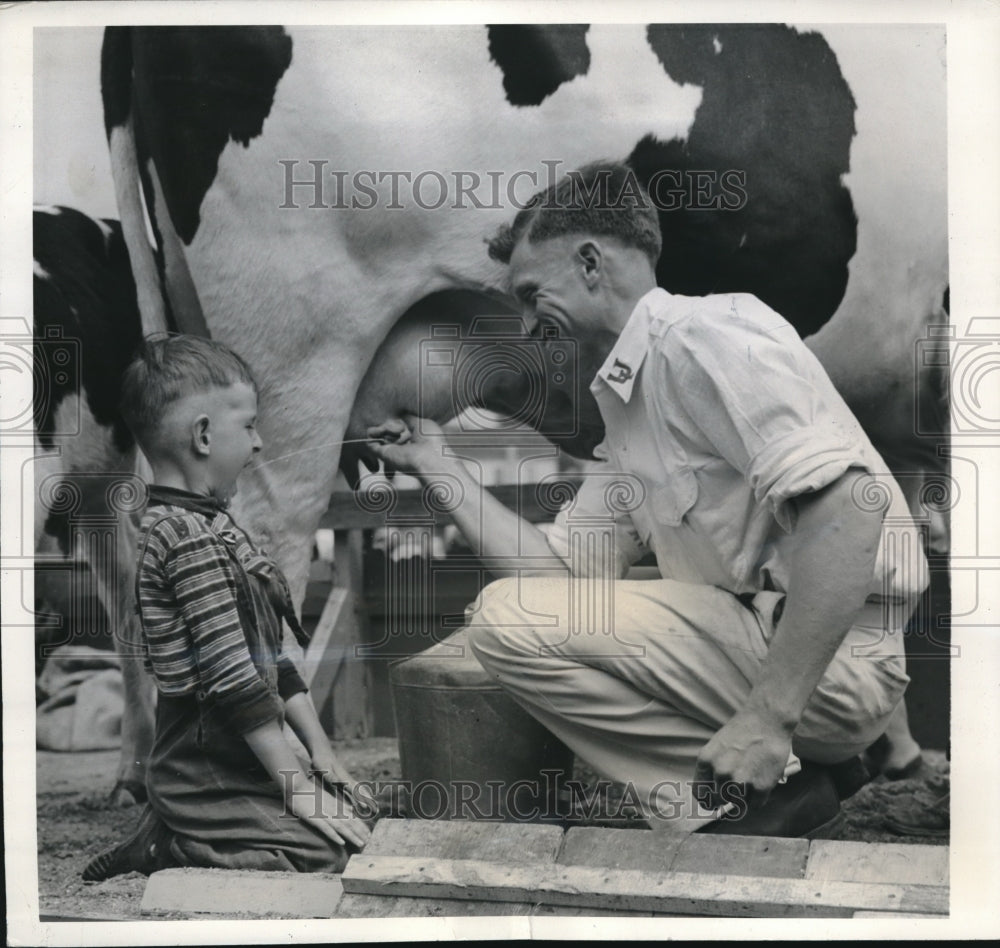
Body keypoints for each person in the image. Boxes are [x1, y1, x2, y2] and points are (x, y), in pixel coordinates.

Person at [368, 161, 929, 837]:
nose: (523, 326)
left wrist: (769, 717)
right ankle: (774, 795)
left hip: (831, 671)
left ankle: (748, 800)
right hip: (777, 658)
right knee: (514, 618)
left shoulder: (706, 338)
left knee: (502, 618)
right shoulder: (633, 398)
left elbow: (852, 509)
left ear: (591, 263)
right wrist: (436, 462)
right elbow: (562, 582)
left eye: (530, 294)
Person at [83, 335, 369, 880]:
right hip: (202, 772)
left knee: (358, 824)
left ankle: (194, 826)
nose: (260, 444)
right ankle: (172, 845)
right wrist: (300, 788)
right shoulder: (181, 538)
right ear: (204, 436)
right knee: (326, 855)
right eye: (250, 426)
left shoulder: (215, 525)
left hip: (239, 757)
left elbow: (270, 656)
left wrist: (320, 752)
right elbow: (236, 679)